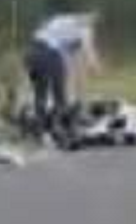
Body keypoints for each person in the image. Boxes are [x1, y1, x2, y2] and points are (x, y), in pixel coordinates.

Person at [24, 11, 102, 145]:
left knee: (40, 95)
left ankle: (39, 133)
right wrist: (96, 67)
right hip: (49, 54)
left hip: (31, 53)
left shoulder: (58, 21)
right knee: (59, 97)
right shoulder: (83, 28)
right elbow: (88, 54)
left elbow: (69, 58)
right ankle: (59, 131)